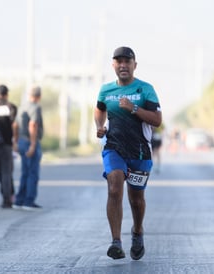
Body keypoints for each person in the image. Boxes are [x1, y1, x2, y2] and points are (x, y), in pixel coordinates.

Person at [94, 46, 162, 260]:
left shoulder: (145, 89)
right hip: (114, 147)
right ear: (113, 65)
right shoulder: (106, 90)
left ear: (134, 65)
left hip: (140, 151)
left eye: (127, 61)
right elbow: (99, 109)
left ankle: (137, 231)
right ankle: (116, 242)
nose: (123, 65)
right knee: (114, 187)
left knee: (136, 199)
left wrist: (133, 108)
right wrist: (100, 125)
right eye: (118, 61)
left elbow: (157, 121)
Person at [12, 86, 44, 210]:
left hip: (21, 141)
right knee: (33, 173)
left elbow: (14, 124)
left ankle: (19, 200)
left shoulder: (22, 106)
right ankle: (28, 201)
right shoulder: (36, 107)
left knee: (25, 172)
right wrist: (33, 144)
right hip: (30, 142)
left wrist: (15, 141)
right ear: (39, 96)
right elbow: (33, 125)